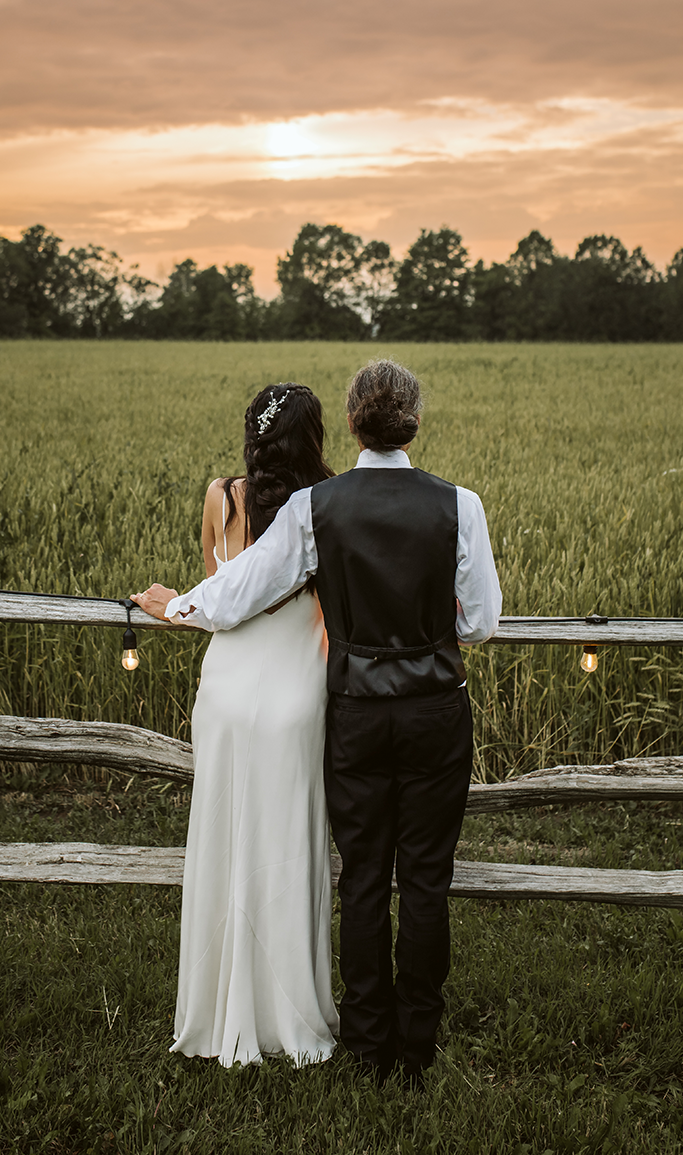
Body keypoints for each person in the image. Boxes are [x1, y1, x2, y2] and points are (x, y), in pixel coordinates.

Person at [135, 359, 501, 1085]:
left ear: (355, 423)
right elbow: (481, 623)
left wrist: (175, 605)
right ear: (413, 422)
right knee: (425, 880)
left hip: (358, 712)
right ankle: (416, 1046)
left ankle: (367, 1045)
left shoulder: (317, 507)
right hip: (433, 710)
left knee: (364, 877)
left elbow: (240, 590)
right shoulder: (461, 504)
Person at [134, 383, 340, 1068]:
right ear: (313, 440)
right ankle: (289, 1013)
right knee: (284, 840)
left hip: (225, 685)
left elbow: (217, 592)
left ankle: (219, 1005)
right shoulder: (330, 505)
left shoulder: (221, 496)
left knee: (225, 836)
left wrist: (176, 607)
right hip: (295, 689)